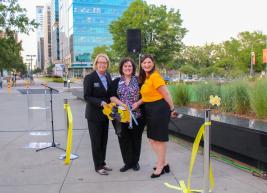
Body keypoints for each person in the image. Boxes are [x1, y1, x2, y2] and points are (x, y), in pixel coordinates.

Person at [135, 54, 177, 178]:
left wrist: (172, 109)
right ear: (141, 65)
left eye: (149, 62)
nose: (146, 65)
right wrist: (138, 103)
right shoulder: (147, 78)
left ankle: (160, 166)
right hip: (150, 109)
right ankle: (164, 162)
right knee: (152, 138)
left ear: (153, 63)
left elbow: (166, 94)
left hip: (159, 110)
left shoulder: (155, 76)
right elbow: (147, 96)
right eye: (144, 63)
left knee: (159, 139)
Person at [110, 58, 145, 172]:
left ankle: (135, 162)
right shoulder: (116, 81)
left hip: (137, 116)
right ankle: (127, 163)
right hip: (121, 116)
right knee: (123, 140)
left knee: (136, 139)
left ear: (133, 68)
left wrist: (138, 103)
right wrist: (122, 104)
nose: (127, 68)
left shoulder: (139, 80)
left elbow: (146, 96)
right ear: (121, 68)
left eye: (129, 66)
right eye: (125, 66)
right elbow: (111, 97)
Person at [83, 53, 113, 175]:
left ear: (107, 64)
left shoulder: (108, 76)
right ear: (96, 64)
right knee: (96, 141)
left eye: (104, 63)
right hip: (94, 115)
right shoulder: (90, 78)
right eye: (100, 62)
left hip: (106, 115)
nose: (102, 64)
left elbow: (110, 93)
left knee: (103, 140)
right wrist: (101, 102)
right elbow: (87, 96)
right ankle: (98, 166)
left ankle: (103, 162)